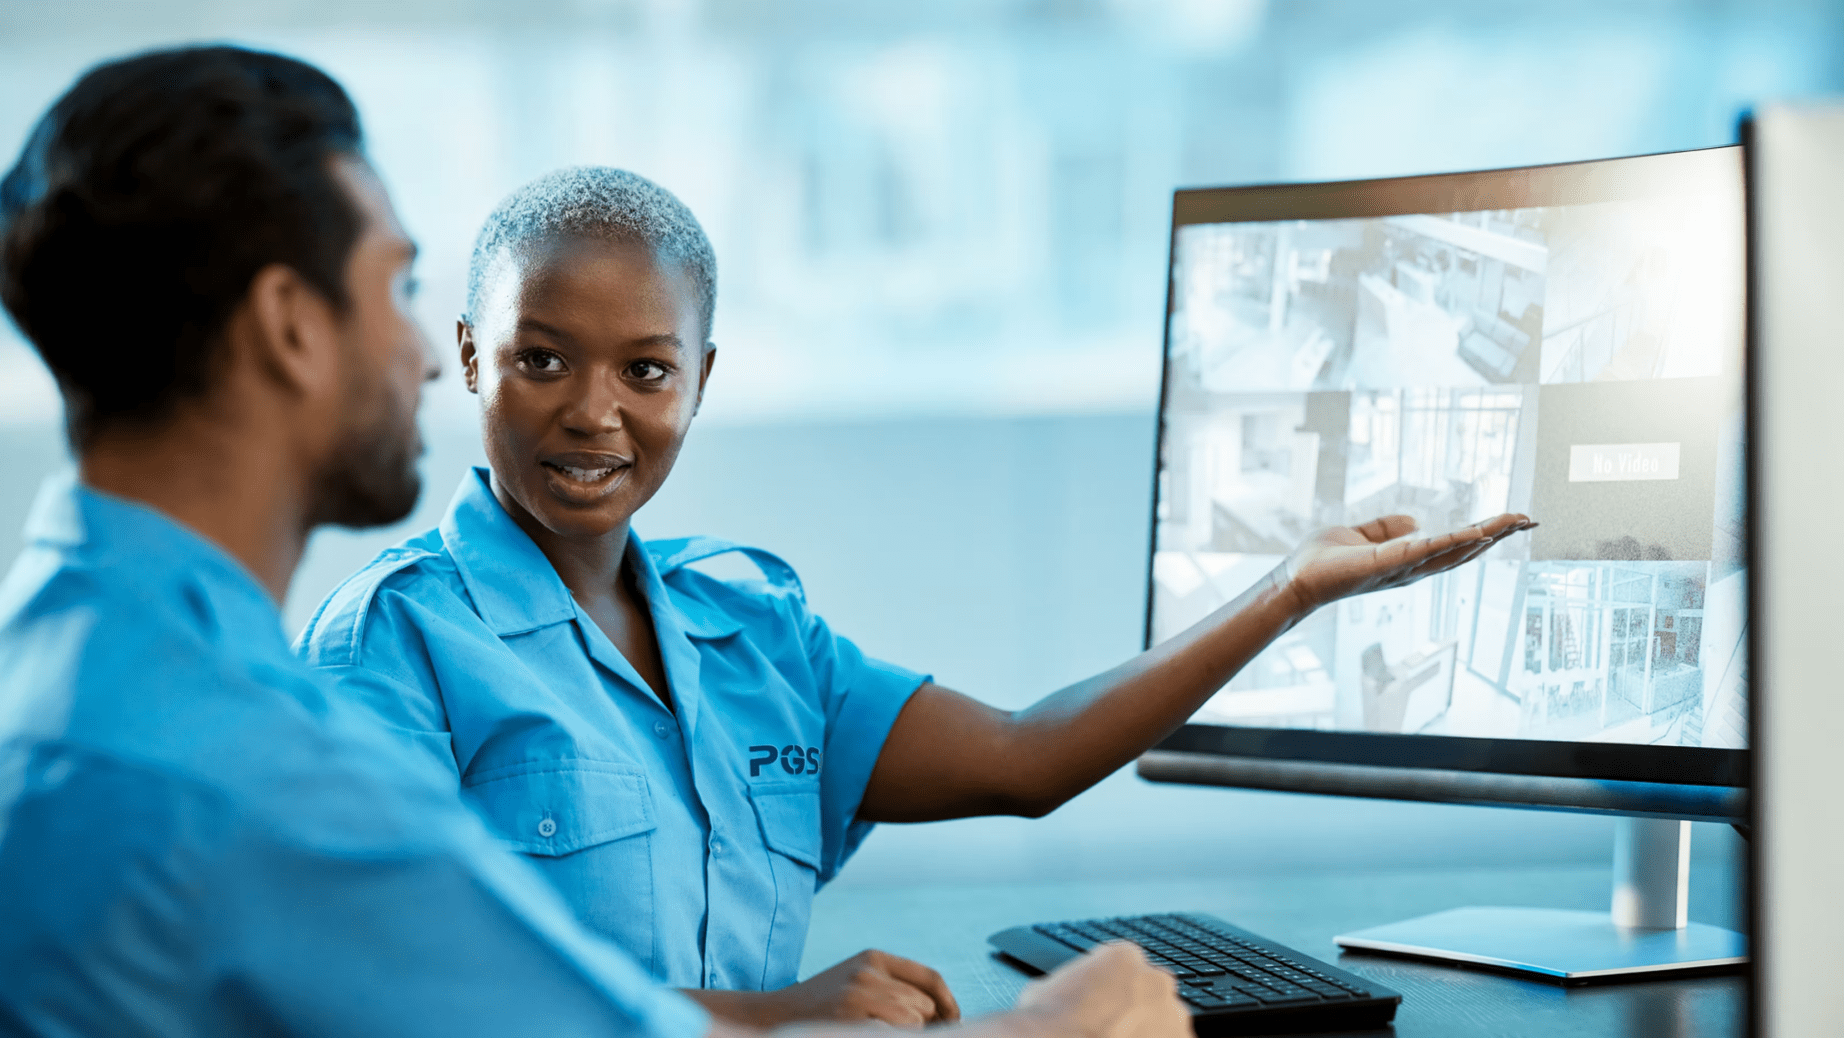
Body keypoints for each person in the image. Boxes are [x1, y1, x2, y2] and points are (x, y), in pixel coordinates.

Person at [0, 45, 1189, 1038]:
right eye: (399, 287)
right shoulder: (244, 759)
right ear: (289, 327)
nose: (419, 351)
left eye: (647, 367)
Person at [296, 167, 1538, 1026]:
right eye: (541, 358)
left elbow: (1023, 756)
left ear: (702, 379)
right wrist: (769, 1020)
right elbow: (385, 999)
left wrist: (1287, 591)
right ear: (470, 355)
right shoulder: (393, 646)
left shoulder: (750, 628)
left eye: (648, 369)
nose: (594, 410)